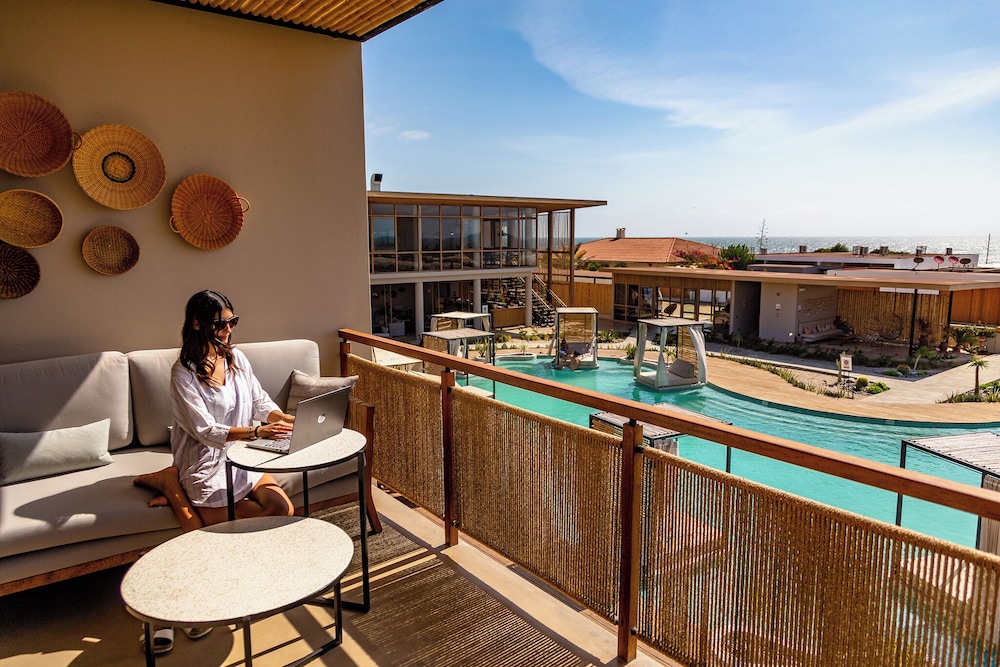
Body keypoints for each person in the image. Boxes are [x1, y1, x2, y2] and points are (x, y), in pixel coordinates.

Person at [131, 290, 296, 654]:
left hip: (244, 454)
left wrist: (286, 420)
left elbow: (259, 401)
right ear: (197, 324)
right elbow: (205, 430)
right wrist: (257, 431)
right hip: (205, 460)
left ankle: (171, 486)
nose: (228, 330)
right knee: (218, 536)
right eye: (221, 323)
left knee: (281, 509)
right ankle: (173, 484)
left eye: (232, 322)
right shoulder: (183, 373)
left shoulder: (237, 359)